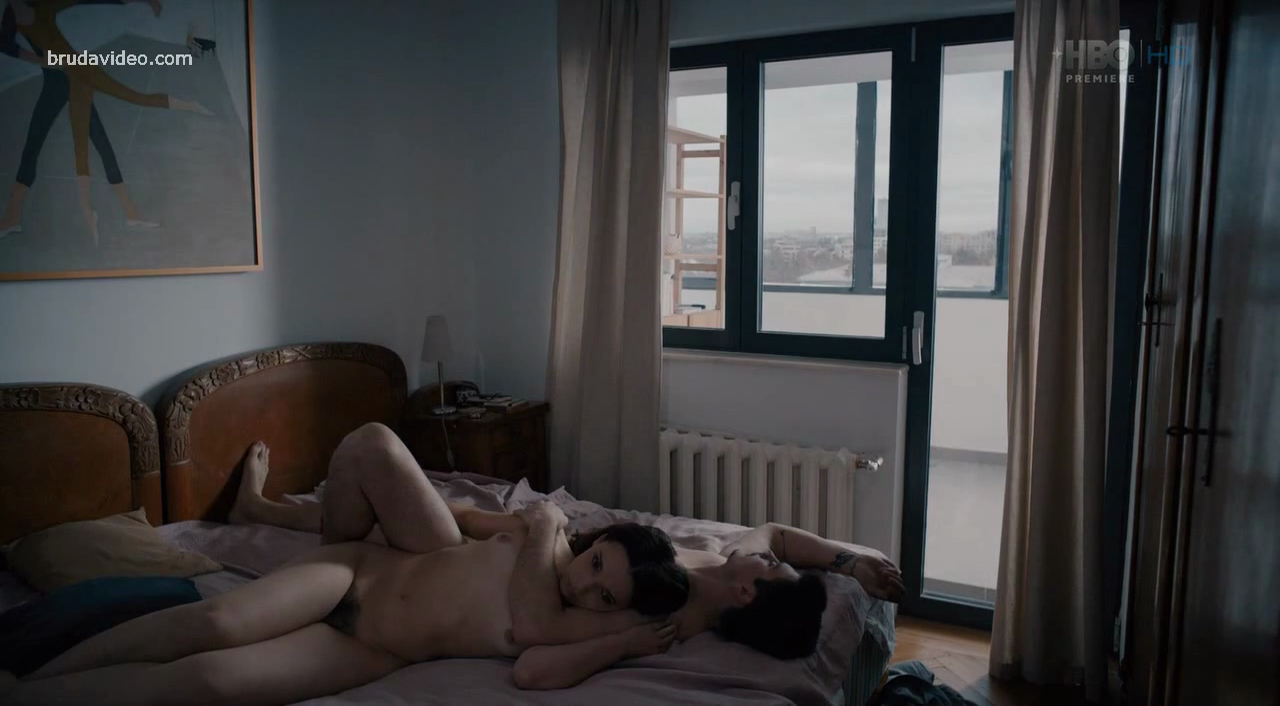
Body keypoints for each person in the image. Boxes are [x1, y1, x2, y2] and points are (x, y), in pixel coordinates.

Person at [3, 423, 687, 706]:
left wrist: (622, 631)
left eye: (604, 593)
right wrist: (524, 523)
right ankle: (40, 672)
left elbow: (540, 646)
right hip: (359, 571)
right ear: (598, 541)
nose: (584, 583)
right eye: (597, 563)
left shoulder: (576, 621)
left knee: (211, 680)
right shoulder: (535, 534)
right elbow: (459, 518)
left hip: (371, 649)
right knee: (214, 624)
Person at [228, 432, 905, 690]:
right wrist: (851, 561)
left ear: (748, 595)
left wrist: (546, 533)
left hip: (477, 567)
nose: (776, 561)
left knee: (384, 482)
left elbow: (536, 650)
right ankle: (265, 512)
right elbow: (777, 533)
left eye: (777, 573)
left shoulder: (661, 613)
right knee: (391, 490)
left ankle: (291, 528)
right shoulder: (726, 561)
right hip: (503, 545)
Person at [4, 0, 211, 242]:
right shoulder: (9, 18)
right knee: (37, 146)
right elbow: (8, 46)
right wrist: (45, 61)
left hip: (79, 78)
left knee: (100, 138)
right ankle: (14, 217)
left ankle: (123, 212)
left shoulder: (42, 5)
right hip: (57, 84)